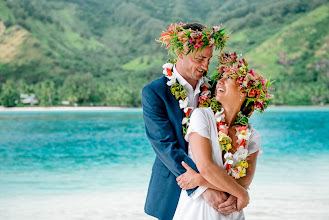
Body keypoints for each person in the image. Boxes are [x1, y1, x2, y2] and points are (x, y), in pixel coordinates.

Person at [142, 23, 232, 220]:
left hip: (219, 185)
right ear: (180, 52)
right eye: (200, 58)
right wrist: (202, 187)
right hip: (173, 186)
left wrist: (232, 187)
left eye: (209, 59)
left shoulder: (218, 88)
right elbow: (165, 145)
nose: (206, 66)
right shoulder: (154, 92)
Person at [172, 52, 274, 219]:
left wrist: (200, 181)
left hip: (231, 211)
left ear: (244, 93)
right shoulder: (202, 116)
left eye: (229, 78)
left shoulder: (251, 136)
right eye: (221, 76)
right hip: (199, 211)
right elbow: (206, 166)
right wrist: (242, 195)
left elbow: (244, 182)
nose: (220, 80)